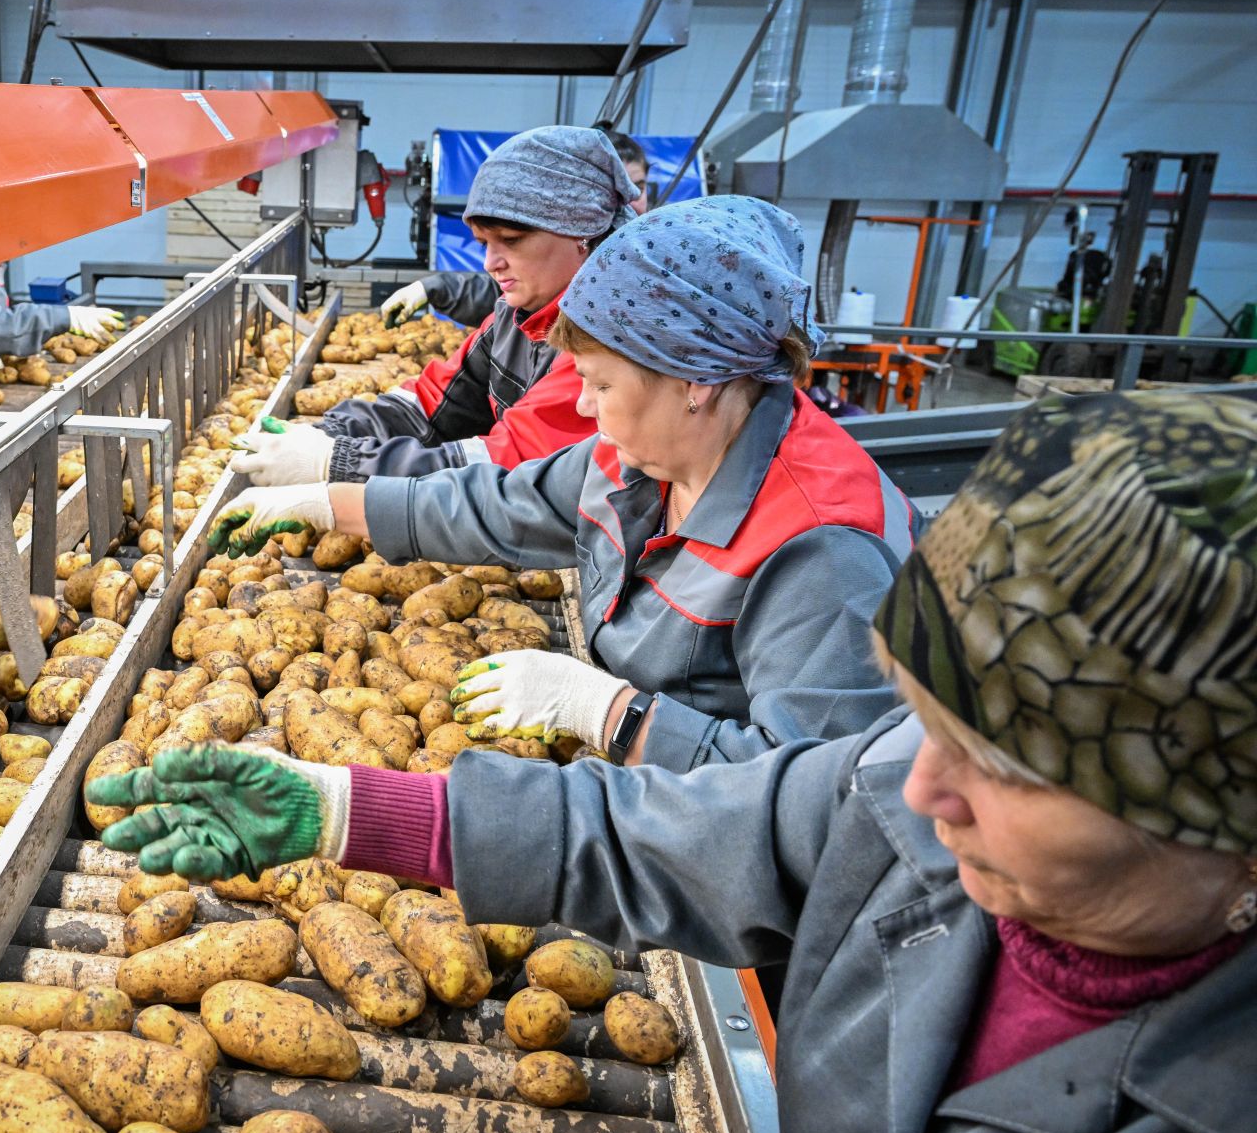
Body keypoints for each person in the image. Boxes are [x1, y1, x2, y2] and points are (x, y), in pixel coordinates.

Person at [91, 390, 1257, 1133]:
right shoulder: (911, 803)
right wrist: (342, 808)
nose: (917, 785)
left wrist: (614, 713)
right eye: (923, 720)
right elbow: (672, 836)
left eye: (1001, 766)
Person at [217, 197, 917, 771]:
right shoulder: (643, 453)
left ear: (696, 382)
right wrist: (328, 499)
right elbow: (500, 504)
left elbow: (823, 805)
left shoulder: (824, 551)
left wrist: (610, 714)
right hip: (649, 807)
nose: (582, 409)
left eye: (601, 384)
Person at [233, 126, 638, 488]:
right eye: (483, 244)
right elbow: (435, 402)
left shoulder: (606, 342)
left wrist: (339, 464)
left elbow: (511, 466)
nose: (489, 264)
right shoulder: (518, 313)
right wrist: (332, 433)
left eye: (511, 240)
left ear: (580, 233)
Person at [379, 130, 654, 330]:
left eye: (637, 188)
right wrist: (433, 288)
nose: (625, 200)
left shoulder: (626, 312)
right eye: (483, 243)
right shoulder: (521, 313)